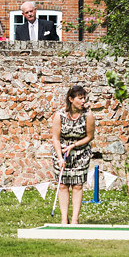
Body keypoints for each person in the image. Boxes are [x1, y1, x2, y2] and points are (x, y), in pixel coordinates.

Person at [51, 85, 94, 224]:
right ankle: (64, 219)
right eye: (80, 98)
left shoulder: (88, 115)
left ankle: (75, 219)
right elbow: (56, 138)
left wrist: (74, 145)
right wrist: (59, 158)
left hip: (80, 152)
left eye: (84, 98)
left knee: (77, 185)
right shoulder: (59, 115)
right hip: (62, 152)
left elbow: (89, 137)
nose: (83, 101)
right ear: (71, 99)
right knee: (63, 185)